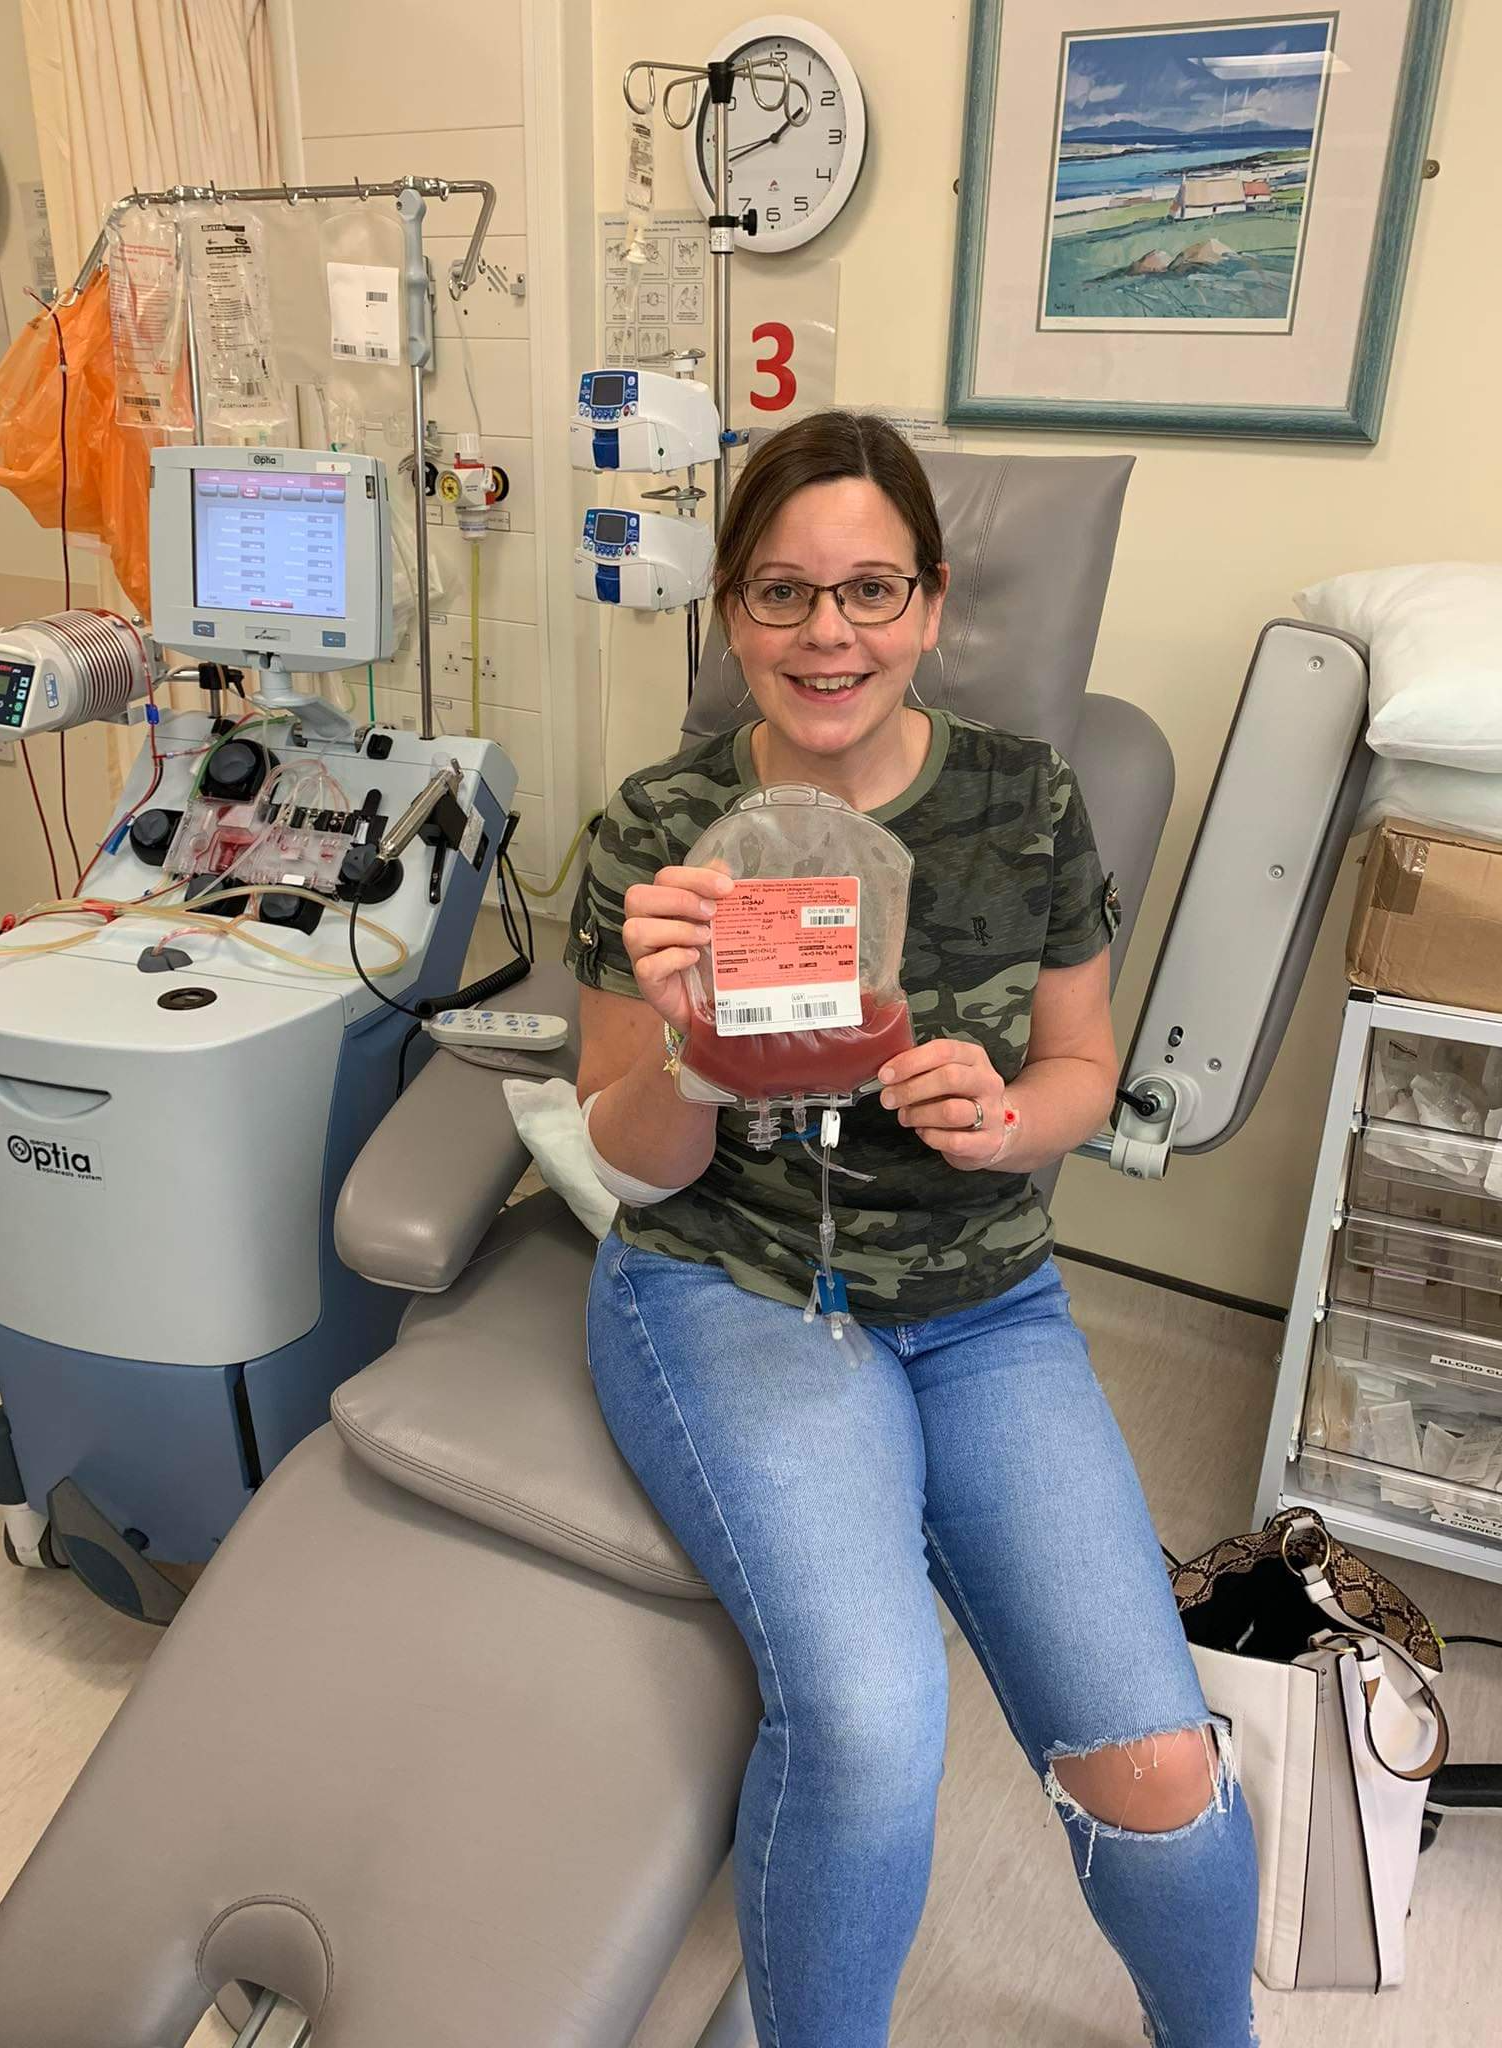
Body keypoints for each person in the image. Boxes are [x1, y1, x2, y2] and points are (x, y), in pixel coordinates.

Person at [566, 410, 1257, 2047]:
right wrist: (682, 1047)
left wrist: (1015, 1120)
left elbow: (1086, 1067)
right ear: (729, 612)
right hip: (728, 1286)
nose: (830, 636)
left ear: (935, 606)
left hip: (983, 1302)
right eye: (786, 595)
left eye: (872, 591)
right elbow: (626, 1162)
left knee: (1153, 1760)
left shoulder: (1027, 804)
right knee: (873, 1722)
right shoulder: (658, 837)